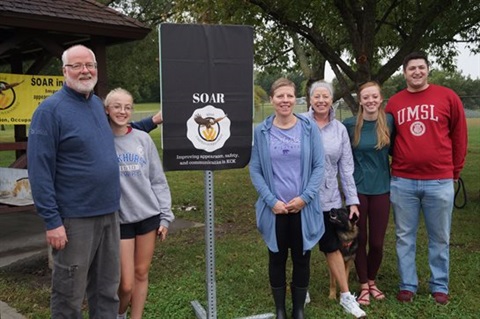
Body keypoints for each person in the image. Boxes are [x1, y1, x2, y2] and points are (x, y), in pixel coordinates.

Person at [27, 44, 121, 318]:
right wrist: (52, 221)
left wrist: (152, 121)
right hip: (74, 220)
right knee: (69, 294)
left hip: (109, 214)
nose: (85, 71)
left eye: (89, 65)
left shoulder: (96, 104)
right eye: (77, 66)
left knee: (107, 290)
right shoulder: (50, 111)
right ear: (64, 71)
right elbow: (39, 170)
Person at [385, 51, 468, 305]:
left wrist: (455, 172)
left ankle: (439, 285)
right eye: (412, 68)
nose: (417, 72)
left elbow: (459, 136)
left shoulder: (448, 97)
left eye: (421, 67)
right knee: (404, 236)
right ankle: (407, 285)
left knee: (440, 236)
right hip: (403, 180)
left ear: (428, 69)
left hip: (439, 180)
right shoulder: (394, 103)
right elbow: (387, 138)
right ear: (404, 72)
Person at [249, 78, 325, 319]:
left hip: (303, 208)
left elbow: (319, 166)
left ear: (296, 99)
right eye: (280, 96)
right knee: (277, 258)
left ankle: (299, 310)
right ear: (271, 99)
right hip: (276, 209)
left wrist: (305, 198)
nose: (285, 101)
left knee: (302, 258)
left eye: (289, 96)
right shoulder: (260, 131)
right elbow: (255, 169)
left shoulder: (308, 127)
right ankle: (281, 309)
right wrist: (272, 201)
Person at [104, 88, 174, 319]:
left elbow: (157, 180)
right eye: (117, 106)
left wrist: (165, 215)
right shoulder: (101, 141)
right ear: (107, 109)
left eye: (127, 107)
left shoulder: (142, 139)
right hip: (120, 220)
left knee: (141, 273)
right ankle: (119, 314)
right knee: (125, 284)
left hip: (148, 216)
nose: (122, 111)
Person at [303, 80, 366, 318]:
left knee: (332, 247)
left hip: (329, 198)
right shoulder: (300, 124)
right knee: (302, 247)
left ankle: (346, 296)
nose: (321, 100)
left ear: (331, 100)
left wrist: (352, 200)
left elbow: (346, 167)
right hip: (303, 198)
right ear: (310, 99)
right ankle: (302, 290)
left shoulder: (339, 129)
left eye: (325, 96)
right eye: (316, 96)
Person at [343, 81, 394, 305]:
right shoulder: (350, 124)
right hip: (358, 190)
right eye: (366, 97)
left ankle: (372, 280)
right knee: (360, 239)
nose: (370, 101)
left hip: (382, 188)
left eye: (374, 97)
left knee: (376, 242)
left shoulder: (390, 122)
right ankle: (363, 285)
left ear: (380, 99)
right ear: (360, 100)